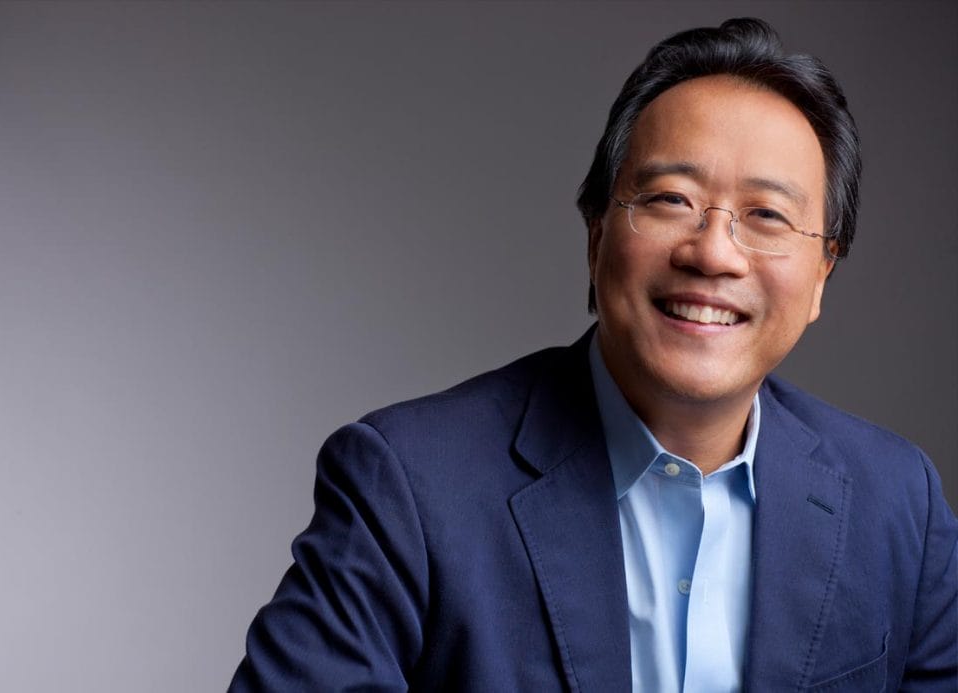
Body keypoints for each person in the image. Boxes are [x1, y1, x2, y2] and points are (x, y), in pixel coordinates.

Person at [230, 18, 957, 692]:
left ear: (823, 273)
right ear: (596, 234)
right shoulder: (408, 486)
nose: (712, 252)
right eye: (670, 199)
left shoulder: (899, 504)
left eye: (767, 215)